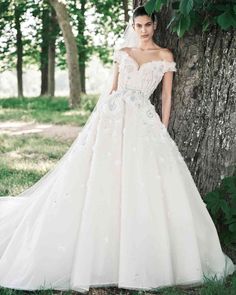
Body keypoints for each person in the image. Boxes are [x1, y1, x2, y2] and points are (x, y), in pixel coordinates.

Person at [0, 5, 235, 294]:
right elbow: (111, 90)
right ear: (133, 26)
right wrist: (96, 124)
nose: (144, 30)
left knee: (141, 180)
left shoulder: (164, 56)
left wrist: (161, 127)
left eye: (148, 24)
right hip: (111, 117)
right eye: (138, 25)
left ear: (155, 24)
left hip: (142, 120)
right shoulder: (122, 53)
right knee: (103, 176)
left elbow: (166, 98)